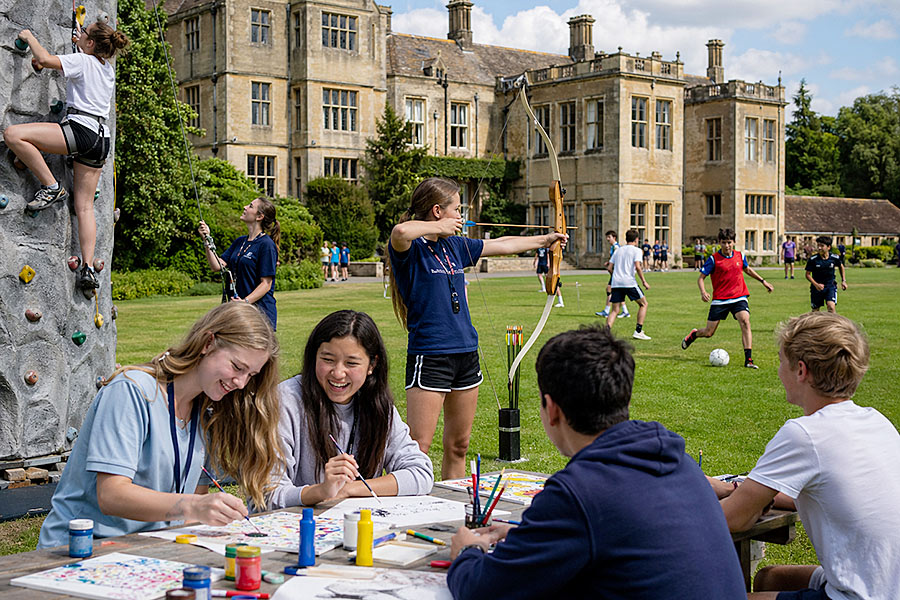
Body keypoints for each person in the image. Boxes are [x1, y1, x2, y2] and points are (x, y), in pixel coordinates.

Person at [447, 325, 746, 599]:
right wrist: (529, 538)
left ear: (551, 409)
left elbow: (482, 590)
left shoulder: (578, 493)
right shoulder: (679, 462)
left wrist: (466, 552)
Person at [37, 302, 284, 549]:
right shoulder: (132, 391)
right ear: (208, 343)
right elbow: (111, 495)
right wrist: (195, 506)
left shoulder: (206, 412)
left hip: (145, 549)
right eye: (237, 367)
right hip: (79, 549)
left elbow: (191, 509)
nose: (241, 383)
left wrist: (204, 516)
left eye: (251, 375)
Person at [707, 312, 900, 599]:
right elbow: (819, 494)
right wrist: (735, 489)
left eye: (780, 361)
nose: (778, 371)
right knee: (770, 578)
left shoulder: (804, 434)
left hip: (862, 594)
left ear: (801, 370)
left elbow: (732, 519)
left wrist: (696, 490)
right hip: (887, 582)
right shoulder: (877, 420)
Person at [387, 177, 566, 479]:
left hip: (466, 353)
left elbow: (502, 244)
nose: (461, 216)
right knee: (419, 447)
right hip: (431, 354)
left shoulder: (455, 246)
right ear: (437, 211)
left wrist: (545, 240)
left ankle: (454, 504)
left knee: (459, 445)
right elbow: (400, 231)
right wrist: (439, 227)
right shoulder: (411, 250)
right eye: (457, 209)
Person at [4, 22, 128, 292]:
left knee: (13, 135)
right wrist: (80, 43)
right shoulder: (106, 68)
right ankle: (87, 267)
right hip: (101, 139)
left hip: (80, 130)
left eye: (83, 33)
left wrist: (29, 36)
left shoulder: (81, 61)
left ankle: (51, 186)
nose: (79, 34)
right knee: (85, 207)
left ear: (91, 43)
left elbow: (44, 59)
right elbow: (84, 64)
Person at [269, 310, 433, 507]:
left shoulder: (377, 405)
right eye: (328, 360)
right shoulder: (285, 400)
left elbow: (420, 472)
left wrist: (349, 489)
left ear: (372, 365)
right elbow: (267, 495)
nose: (338, 373)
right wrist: (321, 491)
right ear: (314, 357)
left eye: (351, 363)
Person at [681, 228, 773, 369]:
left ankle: (748, 360)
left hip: (739, 296)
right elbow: (701, 278)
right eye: (724, 242)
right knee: (709, 332)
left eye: (729, 242)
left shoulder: (740, 256)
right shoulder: (713, 259)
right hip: (720, 299)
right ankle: (694, 334)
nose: (727, 245)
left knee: (745, 321)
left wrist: (763, 281)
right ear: (719, 243)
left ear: (734, 242)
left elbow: (747, 270)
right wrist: (703, 292)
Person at [199, 197, 280, 330]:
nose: (245, 207)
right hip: (238, 312)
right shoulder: (240, 242)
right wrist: (206, 240)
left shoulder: (266, 245)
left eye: (250, 206)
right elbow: (217, 266)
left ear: (259, 216)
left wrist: (245, 302)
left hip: (259, 314)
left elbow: (266, 284)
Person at [606, 229, 651, 340]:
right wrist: (644, 281)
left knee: (615, 310)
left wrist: (615, 276)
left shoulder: (618, 250)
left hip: (616, 283)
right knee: (643, 304)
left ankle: (605, 333)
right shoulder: (637, 250)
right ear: (637, 239)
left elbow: (609, 268)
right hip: (629, 282)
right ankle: (638, 331)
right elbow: (638, 267)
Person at [805, 235, 847, 313]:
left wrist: (843, 280)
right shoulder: (813, 259)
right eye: (818, 245)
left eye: (822, 246)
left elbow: (841, 266)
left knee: (831, 307)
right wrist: (816, 285)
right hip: (816, 288)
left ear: (828, 247)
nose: (819, 248)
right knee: (815, 311)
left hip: (830, 286)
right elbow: (807, 275)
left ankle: (833, 321)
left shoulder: (834, 258)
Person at [597, 230, 630, 318]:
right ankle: (625, 311)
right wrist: (609, 262)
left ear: (614, 238)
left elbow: (619, 259)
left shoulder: (616, 247)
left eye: (609, 237)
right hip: (615, 272)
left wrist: (612, 268)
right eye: (607, 237)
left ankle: (607, 311)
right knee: (617, 291)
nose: (607, 239)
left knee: (609, 289)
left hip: (616, 272)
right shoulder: (613, 247)